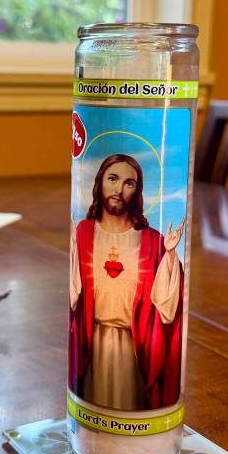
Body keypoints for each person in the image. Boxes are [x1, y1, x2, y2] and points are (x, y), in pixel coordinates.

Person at [69, 153, 184, 411]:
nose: (119, 189)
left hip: (132, 351)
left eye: (129, 183)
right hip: (91, 345)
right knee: (92, 408)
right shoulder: (83, 233)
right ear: (99, 183)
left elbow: (167, 309)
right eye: (113, 178)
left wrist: (170, 255)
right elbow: (74, 295)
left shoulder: (153, 242)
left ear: (137, 191)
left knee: (128, 410)